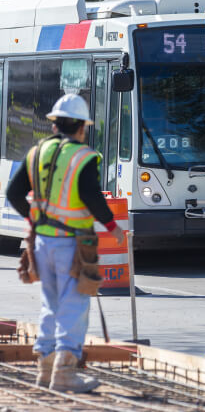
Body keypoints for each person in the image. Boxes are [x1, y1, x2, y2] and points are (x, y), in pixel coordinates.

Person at [7, 94, 124, 393]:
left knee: (51, 303)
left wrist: (34, 219)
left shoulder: (37, 151)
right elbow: (91, 196)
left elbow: (13, 192)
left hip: (42, 243)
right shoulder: (82, 156)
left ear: (56, 123)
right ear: (82, 127)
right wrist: (113, 227)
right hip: (71, 245)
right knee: (74, 305)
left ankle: (45, 369)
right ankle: (65, 372)